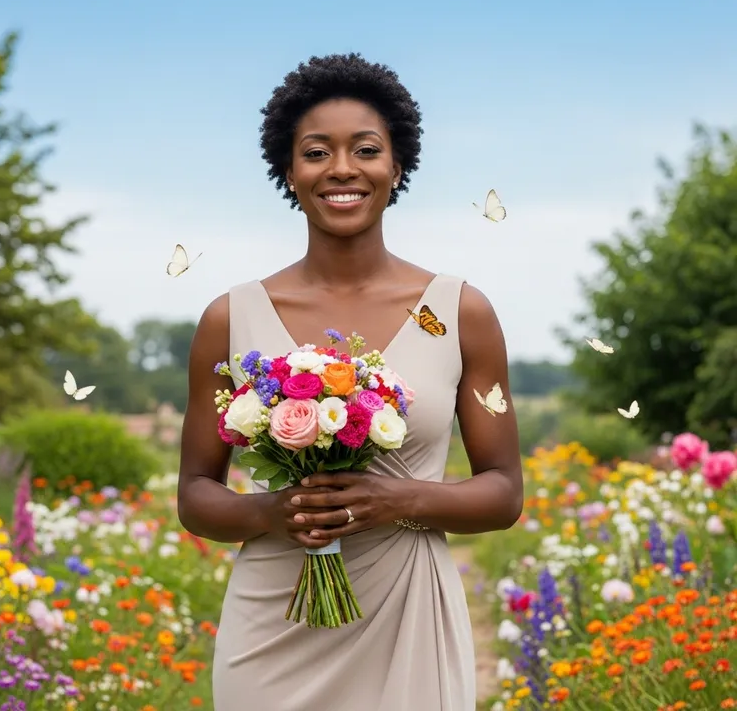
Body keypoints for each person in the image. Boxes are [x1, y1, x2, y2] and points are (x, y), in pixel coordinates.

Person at [177, 53, 523, 710]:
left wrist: (397, 501)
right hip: (270, 627)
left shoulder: (459, 313)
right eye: (316, 152)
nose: (341, 168)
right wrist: (269, 512)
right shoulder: (230, 319)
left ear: (395, 167)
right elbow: (195, 493)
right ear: (289, 171)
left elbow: (504, 492)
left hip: (408, 616)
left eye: (365, 149)